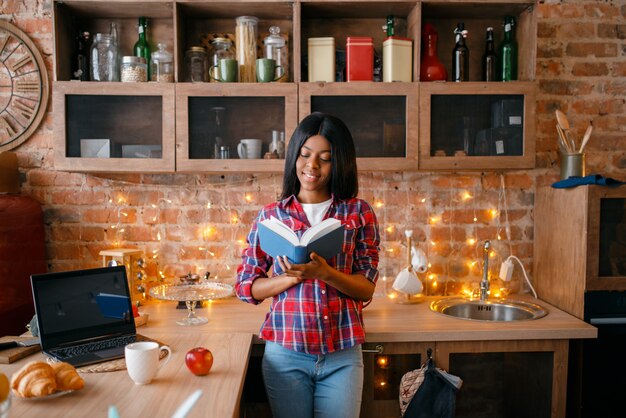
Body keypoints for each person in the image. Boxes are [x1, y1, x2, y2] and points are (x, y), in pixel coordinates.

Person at [235, 112, 380, 418]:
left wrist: (325, 273)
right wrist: (290, 279)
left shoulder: (358, 212)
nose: (312, 166)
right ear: (294, 157)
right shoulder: (271, 216)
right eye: (305, 154)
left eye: (325, 158)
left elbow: (366, 288)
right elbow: (247, 288)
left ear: (339, 162)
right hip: (285, 353)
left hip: (342, 353)